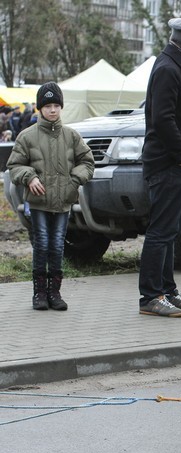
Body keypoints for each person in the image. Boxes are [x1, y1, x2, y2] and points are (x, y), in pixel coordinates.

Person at [138, 17, 181, 317]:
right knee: (161, 231)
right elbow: (162, 119)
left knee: (170, 230)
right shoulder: (168, 68)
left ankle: (167, 290)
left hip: (177, 163)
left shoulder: (178, 64)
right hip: (168, 163)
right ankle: (151, 296)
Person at [7, 82, 94, 310]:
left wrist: (74, 181)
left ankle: (55, 293)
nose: (52, 110)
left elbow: (87, 162)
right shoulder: (27, 136)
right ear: (40, 108)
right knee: (42, 244)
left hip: (63, 201)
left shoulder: (71, 135)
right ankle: (39, 293)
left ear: (61, 107)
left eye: (56, 105)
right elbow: (14, 165)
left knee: (57, 246)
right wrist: (29, 177)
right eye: (48, 106)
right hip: (39, 203)